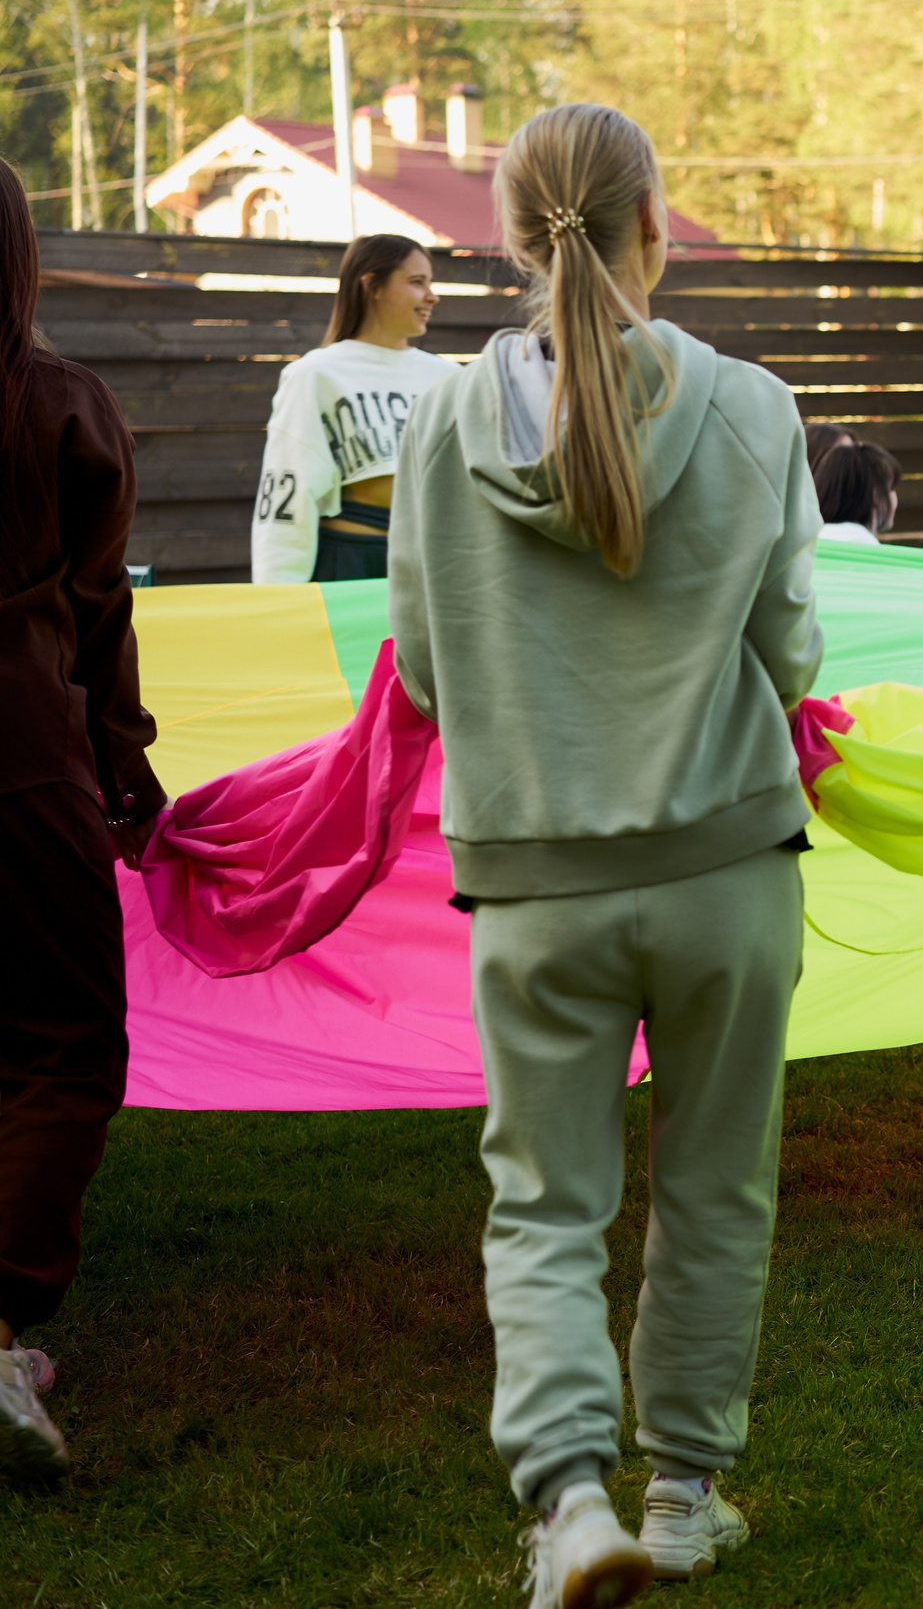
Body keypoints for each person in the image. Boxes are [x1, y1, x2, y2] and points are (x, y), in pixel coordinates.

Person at [387, 104, 822, 1602]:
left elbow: (426, 666)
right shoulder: (757, 409)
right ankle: (688, 1492)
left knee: (545, 1204)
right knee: (717, 1184)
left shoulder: (441, 427)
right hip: (729, 873)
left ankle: (571, 1500)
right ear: (657, 223)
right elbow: (792, 646)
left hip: (532, 883)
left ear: (509, 241)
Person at [0, 158, 166, 1486]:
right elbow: (101, 611)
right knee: (62, 1040)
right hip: (19, 754)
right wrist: (125, 774)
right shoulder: (60, 404)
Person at [250, 234, 454, 583]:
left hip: (437, 562)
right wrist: (278, 597)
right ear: (372, 285)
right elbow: (288, 488)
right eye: (417, 282)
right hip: (352, 563)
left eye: (430, 283)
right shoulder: (314, 374)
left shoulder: (450, 377)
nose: (431, 296)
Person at [812, 433, 903, 545]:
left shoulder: (814, 536)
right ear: (875, 494)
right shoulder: (862, 542)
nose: (895, 498)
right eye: (892, 488)